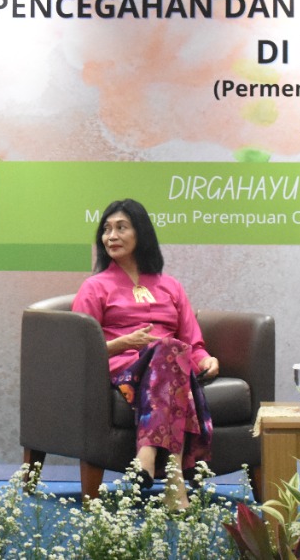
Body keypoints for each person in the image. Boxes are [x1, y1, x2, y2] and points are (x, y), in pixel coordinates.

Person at [72, 198, 218, 509]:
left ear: (141, 233)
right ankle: (174, 482)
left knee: (169, 350)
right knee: (169, 351)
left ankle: (148, 457)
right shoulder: (94, 287)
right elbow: (78, 348)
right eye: (106, 229)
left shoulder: (171, 286)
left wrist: (206, 360)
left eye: (121, 228)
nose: (111, 236)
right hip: (124, 372)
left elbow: (192, 342)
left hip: (170, 368)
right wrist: (123, 343)